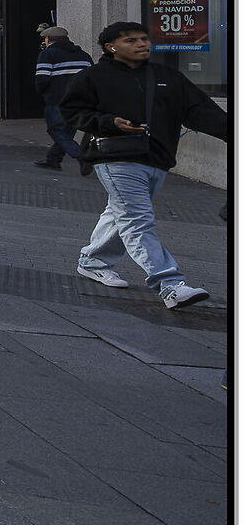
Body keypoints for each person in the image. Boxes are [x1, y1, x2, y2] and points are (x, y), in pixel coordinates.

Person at [61, 20, 228, 309]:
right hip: (114, 158)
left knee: (121, 212)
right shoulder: (94, 76)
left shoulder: (166, 76)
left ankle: (93, 261)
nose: (142, 44)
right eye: (131, 40)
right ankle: (170, 284)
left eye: (144, 38)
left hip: (157, 158)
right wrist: (107, 122)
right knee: (137, 219)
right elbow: (72, 111)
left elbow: (200, 111)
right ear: (111, 47)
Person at [34, 25, 91, 173]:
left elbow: (42, 80)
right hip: (80, 100)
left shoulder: (48, 54)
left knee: (55, 130)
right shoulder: (84, 55)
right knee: (67, 131)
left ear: (48, 40)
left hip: (57, 99)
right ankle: (53, 159)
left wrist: (44, 93)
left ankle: (82, 156)